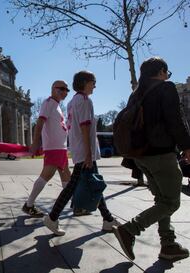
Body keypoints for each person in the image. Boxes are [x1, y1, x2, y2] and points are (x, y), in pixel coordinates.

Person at [113, 57, 190, 261]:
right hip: (161, 154)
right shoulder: (166, 88)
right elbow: (175, 120)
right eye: (168, 73)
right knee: (171, 202)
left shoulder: (136, 94)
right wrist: (187, 146)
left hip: (141, 157)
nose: (168, 77)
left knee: (162, 200)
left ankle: (168, 244)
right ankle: (130, 229)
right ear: (162, 71)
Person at [43, 71, 120, 236]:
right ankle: (52, 217)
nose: (95, 85)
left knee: (94, 185)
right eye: (93, 82)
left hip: (79, 149)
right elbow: (85, 127)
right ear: (85, 82)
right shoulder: (85, 100)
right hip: (85, 151)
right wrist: (89, 154)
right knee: (76, 186)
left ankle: (107, 219)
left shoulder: (72, 102)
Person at [21, 81, 71, 217]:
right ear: (54, 89)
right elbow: (40, 122)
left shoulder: (57, 106)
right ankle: (29, 204)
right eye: (62, 89)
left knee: (67, 178)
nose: (65, 92)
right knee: (47, 175)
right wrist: (36, 142)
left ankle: (75, 205)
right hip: (54, 148)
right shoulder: (48, 103)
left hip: (61, 148)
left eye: (67, 90)